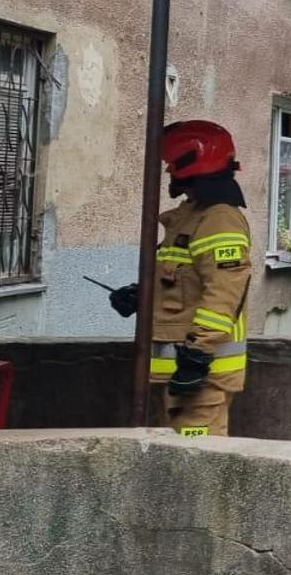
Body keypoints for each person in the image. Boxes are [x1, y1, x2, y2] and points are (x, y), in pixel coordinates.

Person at [108, 120, 254, 436]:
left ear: (187, 161)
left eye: (171, 165)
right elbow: (181, 281)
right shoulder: (192, 215)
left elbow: (224, 293)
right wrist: (140, 295)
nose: (169, 172)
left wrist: (198, 355)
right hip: (178, 378)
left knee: (197, 475)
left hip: (201, 379)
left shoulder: (219, 219)